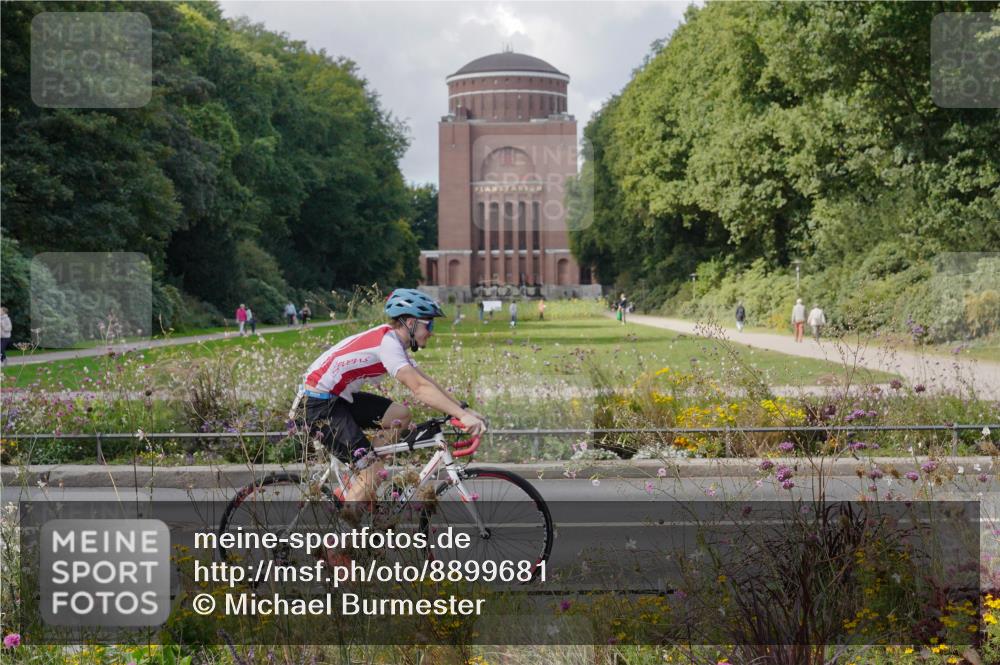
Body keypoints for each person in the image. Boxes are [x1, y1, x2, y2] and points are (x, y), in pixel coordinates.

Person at [295, 288, 487, 526]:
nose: (432, 332)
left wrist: (462, 410)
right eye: (429, 325)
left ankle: (360, 483)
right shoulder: (388, 344)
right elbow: (418, 388)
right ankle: (338, 548)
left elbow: (426, 381)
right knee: (372, 472)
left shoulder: (393, 341)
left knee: (400, 415)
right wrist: (461, 415)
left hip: (336, 399)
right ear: (410, 322)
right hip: (317, 406)